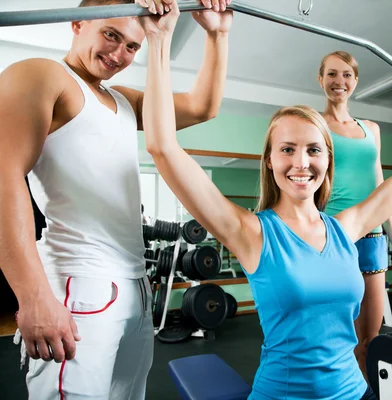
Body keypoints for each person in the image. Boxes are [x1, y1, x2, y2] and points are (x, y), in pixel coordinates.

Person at [141, 5, 392, 395]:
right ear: (270, 160)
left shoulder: (346, 229)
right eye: (287, 149)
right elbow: (162, 147)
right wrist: (158, 41)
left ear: (328, 158)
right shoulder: (251, 232)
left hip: (354, 392)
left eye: (313, 150)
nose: (301, 163)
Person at [0, 0, 232, 398]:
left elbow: (202, 106)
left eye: (131, 46)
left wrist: (218, 33)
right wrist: (33, 295)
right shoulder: (42, 75)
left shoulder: (122, 101)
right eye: (111, 35)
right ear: (76, 23)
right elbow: (3, 177)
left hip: (135, 289)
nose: (118, 54)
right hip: (79, 282)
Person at [317, 50, 392, 376]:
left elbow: (380, 185)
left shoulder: (371, 129)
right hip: (331, 234)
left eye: (346, 75)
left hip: (371, 238)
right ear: (321, 79)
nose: (338, 81)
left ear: (355, 82)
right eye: (331, 74)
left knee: (369, 340)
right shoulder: (314, 125)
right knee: (331, 338)